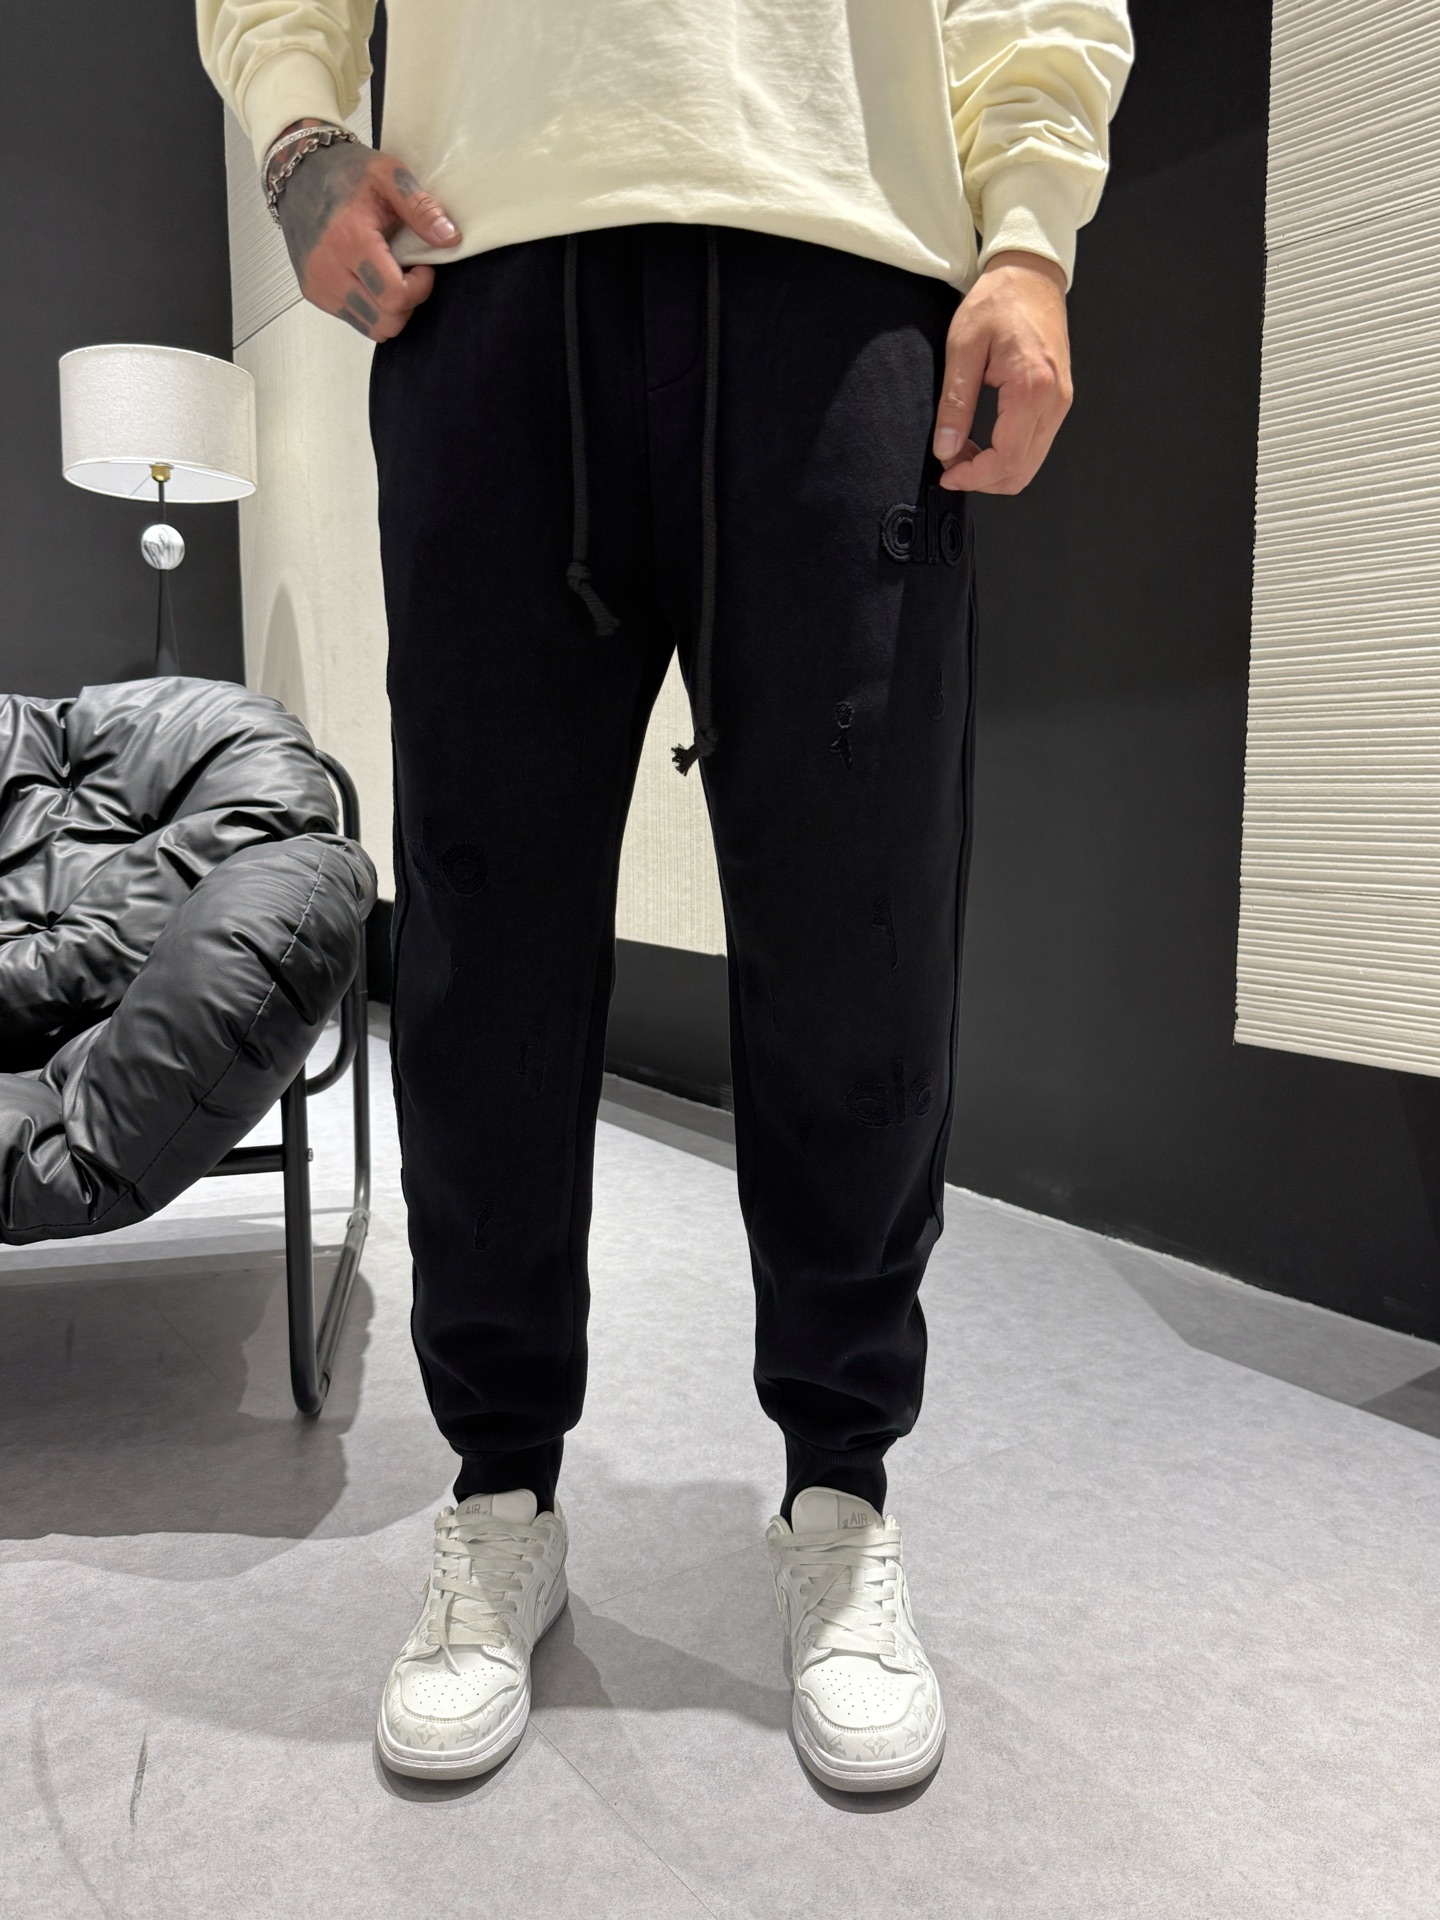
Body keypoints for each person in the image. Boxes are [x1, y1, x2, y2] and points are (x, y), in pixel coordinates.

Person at [199, 0, 1132, 1794]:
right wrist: (298, 120)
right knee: (479, 941)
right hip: (484, 261)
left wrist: (1028, 225)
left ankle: (840, 1493)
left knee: (862, 935)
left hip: (842, 250)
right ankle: (501, 1488)